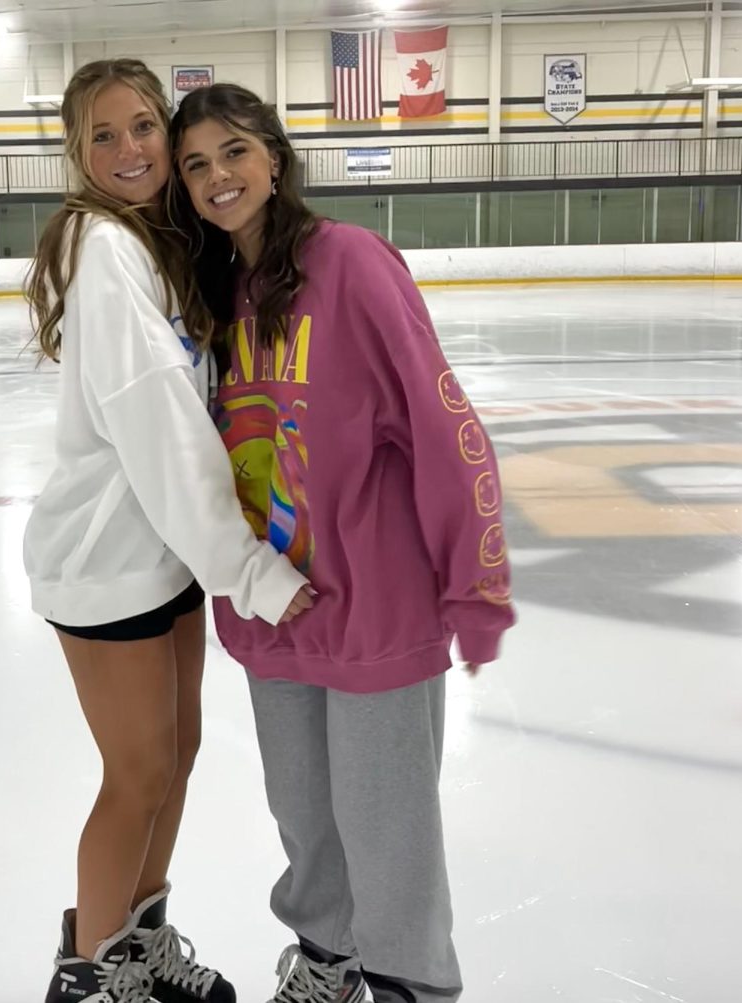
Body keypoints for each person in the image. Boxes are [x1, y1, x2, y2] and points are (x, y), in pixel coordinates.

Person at [169, 83, 516, 1003]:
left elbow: (446, 430)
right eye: (197, 163)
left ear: (274, 157)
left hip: (374, 604)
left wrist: (472, 574)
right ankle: (327, 961)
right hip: (272, 603)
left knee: (387, 825)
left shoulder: (354, 264)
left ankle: (408, 983)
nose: (218, 177)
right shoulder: (211, 291)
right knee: (306, 818)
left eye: (234, 152)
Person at [22, 62, 314, 1003]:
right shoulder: (102, 248)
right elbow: (161, 431)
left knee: (174, 756)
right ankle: (91, 975)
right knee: (138, 771)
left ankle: (136, 941)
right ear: (76, 150)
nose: (128, 150)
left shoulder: (155, 246)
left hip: (161, 558)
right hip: (108, 561)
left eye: (143, 126)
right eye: (102, 135)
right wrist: (249, 570)